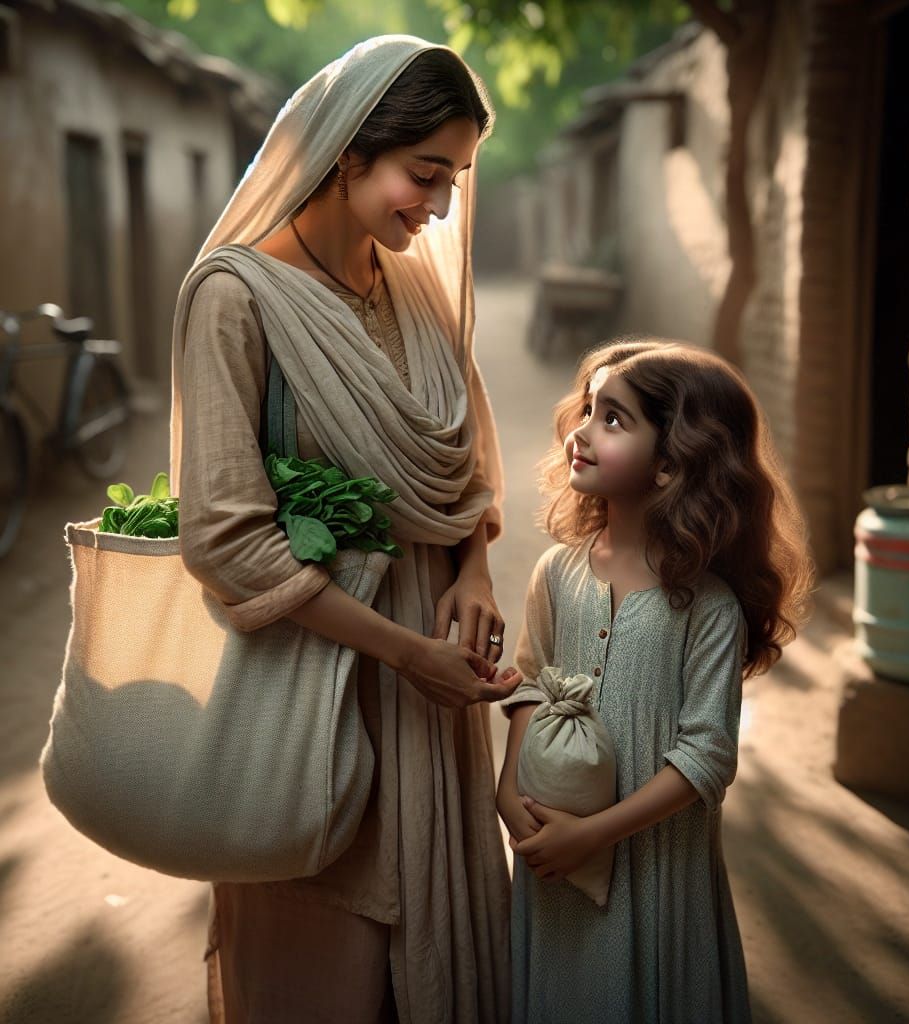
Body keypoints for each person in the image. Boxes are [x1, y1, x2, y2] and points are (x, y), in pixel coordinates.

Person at [169, 36, 517, 1024]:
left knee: (435, 949)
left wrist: (473, 569)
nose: (439, 207)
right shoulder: (236, 299)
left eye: (454, 181)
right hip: (318, 677)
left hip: (431, 675)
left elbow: (464, 453)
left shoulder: (412, 287)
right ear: (347, 151)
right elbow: (227, 540)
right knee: (329, 962)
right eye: (424, 174)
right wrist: (404, 654)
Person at [497, 339, 815, 1023]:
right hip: (552, 856)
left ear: (672, 463)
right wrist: (507, 787)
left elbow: (707, 754)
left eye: (613, 419)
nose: (582, 432)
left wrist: (596, 834)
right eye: (588, 409)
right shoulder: (555, 573)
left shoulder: (708, 606)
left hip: (656, 865)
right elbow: (531, 683)